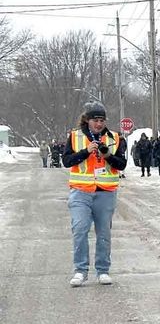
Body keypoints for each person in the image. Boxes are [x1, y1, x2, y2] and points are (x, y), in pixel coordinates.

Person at [62, 102, 128, 287]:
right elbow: (67, 161)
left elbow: (121, 164)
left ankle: (103, 270)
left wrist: (107, 156)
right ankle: (80, 271)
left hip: (105, 193)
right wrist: (85, 151)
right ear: (87, 120)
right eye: (95, 120)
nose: (99, 124)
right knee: (80, 230)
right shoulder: (75, 137)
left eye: (102, 120)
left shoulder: (115, 137)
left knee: (104, 233)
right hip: (80, 191)